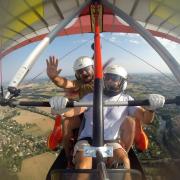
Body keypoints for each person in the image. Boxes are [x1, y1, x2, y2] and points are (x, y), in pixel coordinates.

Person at [49, 64, 165, 170]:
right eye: (107, 78)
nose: (109, 81)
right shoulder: (91, 97)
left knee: (124, 163)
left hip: (111, 143)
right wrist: (63, 109)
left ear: (122, 83)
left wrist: (151, 109)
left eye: (114, 78)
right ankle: (71, 159)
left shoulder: (127, 100)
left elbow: (146, 119)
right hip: (88, 142)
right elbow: (73, 111)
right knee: (84, 166)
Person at [46, 56, 94, 159]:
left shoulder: (103, 81)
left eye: (86, 70)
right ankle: (68, 157)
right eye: (80, 72)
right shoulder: (80, 83)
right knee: (67, 122)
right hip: (84, 112)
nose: (84, 73)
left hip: (103, 113)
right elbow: (66, 83)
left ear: (93, 68)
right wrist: (54, 77)